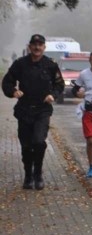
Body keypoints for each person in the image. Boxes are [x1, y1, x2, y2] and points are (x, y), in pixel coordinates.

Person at [2, 34, 64, 190]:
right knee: (26, 145)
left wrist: (53, 95)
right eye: (34, 44)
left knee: (38, 142)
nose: (37, 47)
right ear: (29, 46)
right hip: (24, 110)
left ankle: (38, 173)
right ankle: (28, 174)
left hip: (42, 110)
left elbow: (59, 84)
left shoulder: (50, 65)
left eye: (40, 45)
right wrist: (13, 92)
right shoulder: (20, 64)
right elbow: (7, 81)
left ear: (44, 47)